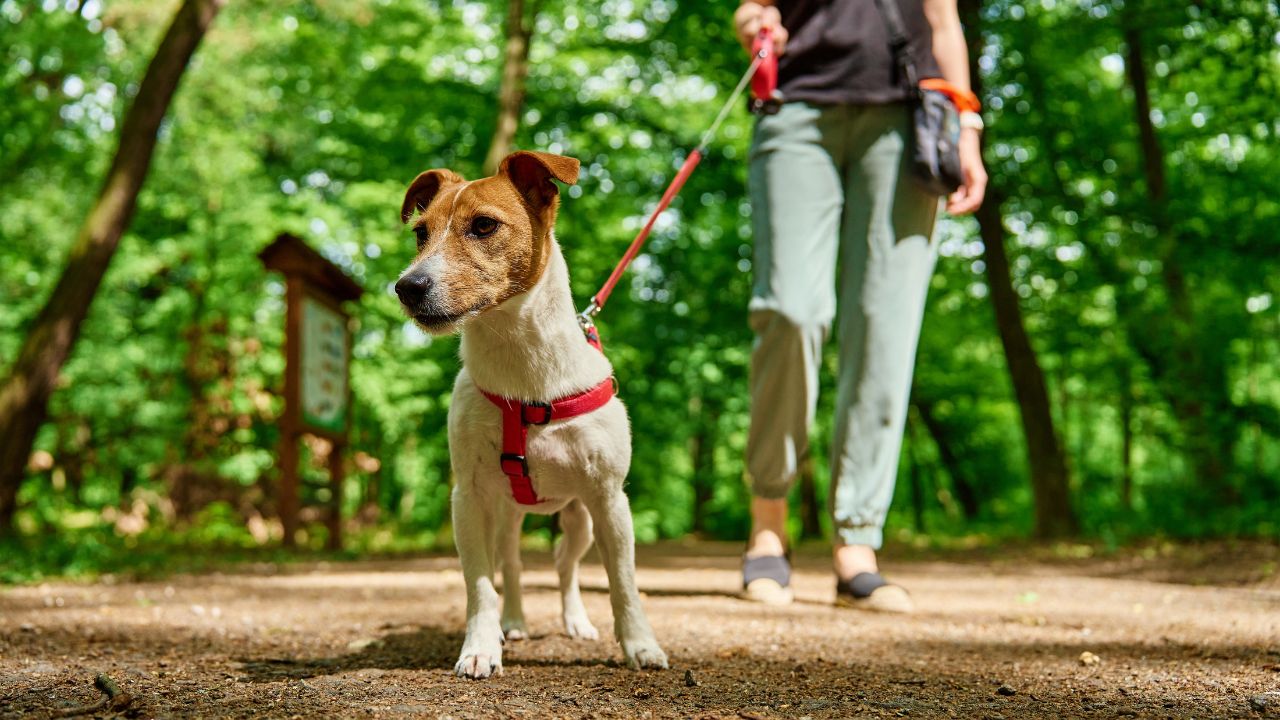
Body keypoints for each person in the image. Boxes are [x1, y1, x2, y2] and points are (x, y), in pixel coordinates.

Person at [733, 0, 987, 611]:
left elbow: (944, 21)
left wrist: (969, 129)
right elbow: (753, 6)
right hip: (796, 108)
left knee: (884, 324)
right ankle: (769, 525)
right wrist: (752, 25)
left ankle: (856, 544)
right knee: (790, 309)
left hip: (907, 115)